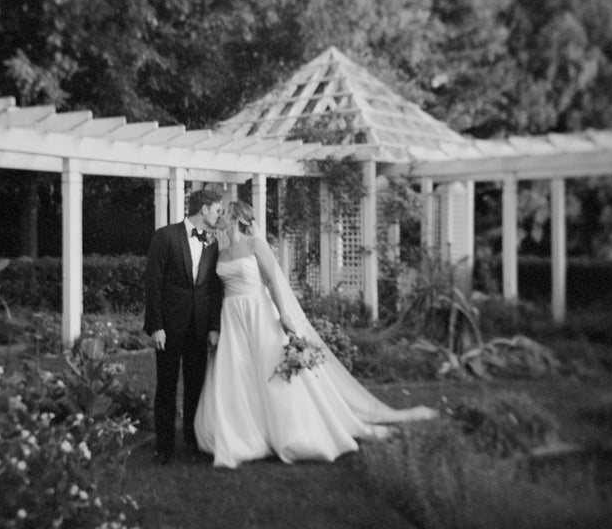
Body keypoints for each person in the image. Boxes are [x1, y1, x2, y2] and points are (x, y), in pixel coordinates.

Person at [194, 201, 438, 469]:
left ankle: (290, 431)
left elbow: (273, 281)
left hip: (259, 312)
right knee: (237, 374)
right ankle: (245, 433)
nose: (221, 218)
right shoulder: (220, 251)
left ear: (238, 218)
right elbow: (214, 291)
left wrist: (284, 315)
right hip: (232, 316)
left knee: (269, 369)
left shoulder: (255, 245)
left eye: (225, 213)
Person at [144, 188, 224, 465]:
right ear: (203, 209)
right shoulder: (166, 236)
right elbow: (152, 284)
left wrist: (214, 326)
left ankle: (192, 441)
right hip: (168, 327)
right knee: (166, 386)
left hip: (200, 327)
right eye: (217, 210)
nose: (219, 215)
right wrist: (156, 326)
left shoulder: (213, 242)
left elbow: (214, 288)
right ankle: (164, 447)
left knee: (196, 385)